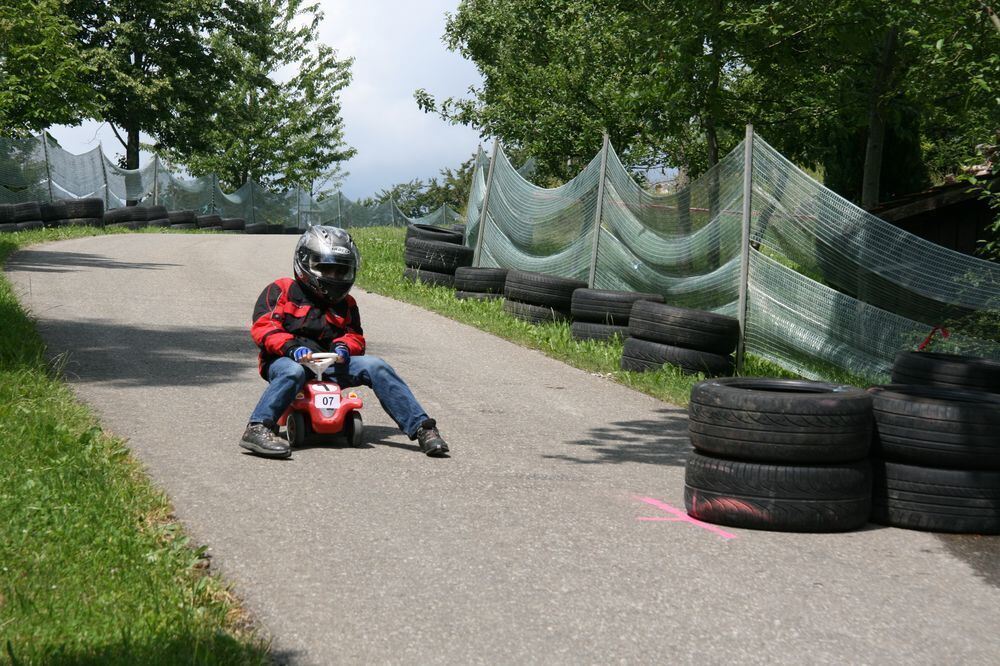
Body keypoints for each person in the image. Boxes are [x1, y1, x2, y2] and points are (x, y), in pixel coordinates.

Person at [240, 225, 449, 460]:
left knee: (376, 366)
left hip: (329, 363)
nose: (335, 278)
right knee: (293, 372)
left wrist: (344, 347)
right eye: (327, 269)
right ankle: (258, 428)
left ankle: (423, 428)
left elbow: (354, 336)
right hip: (285, 361)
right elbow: (264, 327)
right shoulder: (282, 290)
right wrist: (291, 348)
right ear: (305, 263)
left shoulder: (346, 303)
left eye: (341, 272)